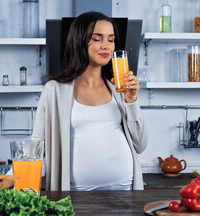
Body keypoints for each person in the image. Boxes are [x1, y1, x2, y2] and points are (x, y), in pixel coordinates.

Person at [32, 11, 147, 191]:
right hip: (75, 196)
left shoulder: (119, 91)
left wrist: (131, 100)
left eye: (111, 39)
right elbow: (36, 146)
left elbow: (140, 144)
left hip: (125, 193)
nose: (106, 46)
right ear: (79, 41)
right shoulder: (55, 90)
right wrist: (9, 178)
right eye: (97, 38)